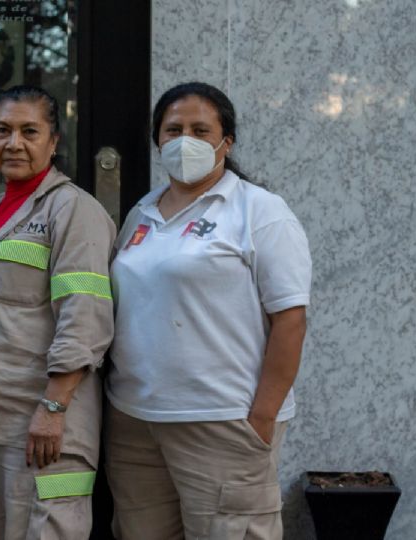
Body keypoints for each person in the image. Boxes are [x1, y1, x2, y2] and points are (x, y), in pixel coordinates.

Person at [106, 82, 312, 539]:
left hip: (223, 421)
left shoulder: (260, 211)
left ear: (227, 141)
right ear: (158, 140)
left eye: (201, 130)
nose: (186, 140)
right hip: (136, 422)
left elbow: (291, 320)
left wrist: (261, 418)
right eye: (173, 129)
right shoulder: (142, 212)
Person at [0, 85, 115, 539]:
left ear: (53, 142)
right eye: (3, 130)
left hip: (45, 428)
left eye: (29, 131)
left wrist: (53, 408)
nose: (14, 143)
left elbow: (85, 316)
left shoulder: (75, 210)